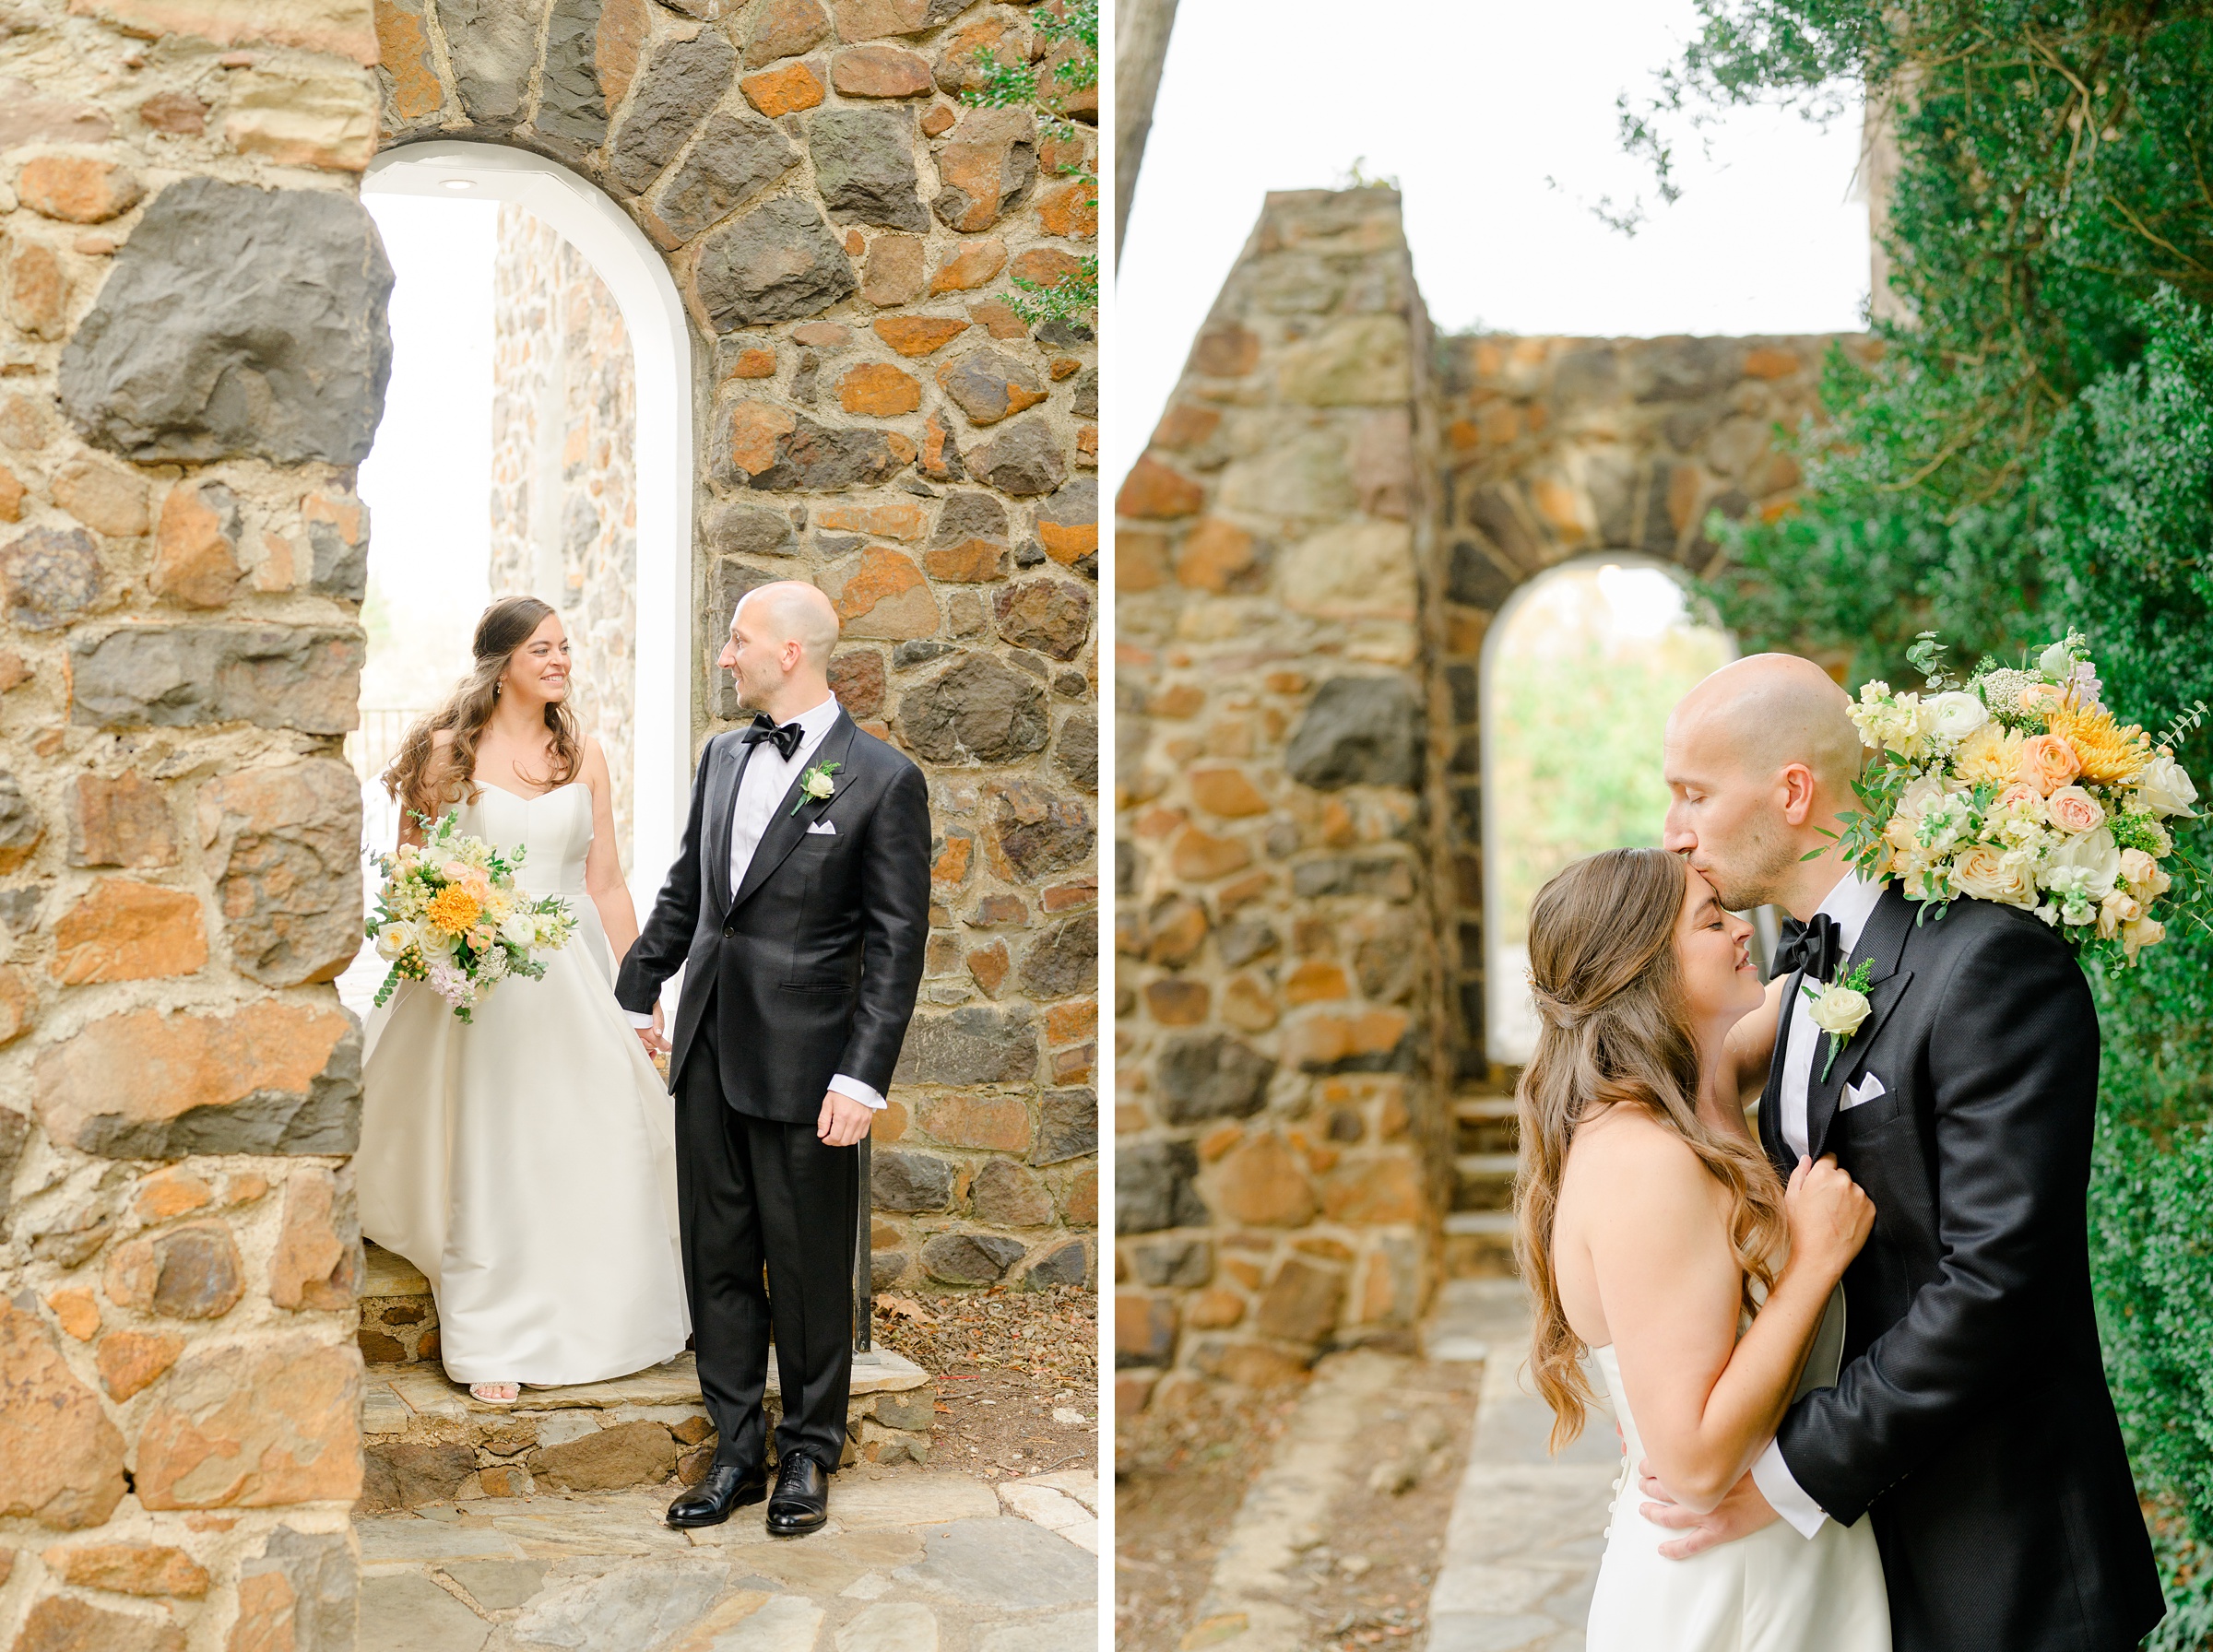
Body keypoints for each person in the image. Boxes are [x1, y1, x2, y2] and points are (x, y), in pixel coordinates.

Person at [1641, 653, 2164, 1652]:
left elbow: (1995, 1285)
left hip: (2000, 1561)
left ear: (1793, 791)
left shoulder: (1991, 964)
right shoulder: (1799, 972)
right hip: (1860, 1559)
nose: (1675, 831)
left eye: (1694, 794)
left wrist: (1785, 1477)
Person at [617, 581, 929, 1538]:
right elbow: (690, 890)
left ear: (790, 652)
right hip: (709, 1044)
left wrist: (861, 1076)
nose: (726, 655)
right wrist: (637, 984)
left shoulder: (881, 779)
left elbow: (896, 942)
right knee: (716, 1257)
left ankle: (808, 1453)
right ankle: (736, 1451)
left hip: (809, 1069)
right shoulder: (721, 756)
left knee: (803, 1265)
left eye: (739, 640)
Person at [1521, 845, 1888, 1649]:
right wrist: (1815, 1261)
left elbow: (1843, 966)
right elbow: (1690, 1465)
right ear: (1642, 969)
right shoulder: (1645, 1161)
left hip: (1792, 1555)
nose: (1742, 933)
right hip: (1729, 1586)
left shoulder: (1708, 1088)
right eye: (1712, 922)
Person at [357, 596, 689, 1406]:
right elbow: (408, 877)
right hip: (480, 976)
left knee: (599, 1129)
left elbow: (605, 885)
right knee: (495, 1142)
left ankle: (605, 1313)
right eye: (543, 649)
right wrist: (445, 934)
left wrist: (641, 995)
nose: (560, 662)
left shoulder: (584, 755)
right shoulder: (446, 755)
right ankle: (493, 1330)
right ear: (502, 662)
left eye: (565, 648)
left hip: (569, 968)